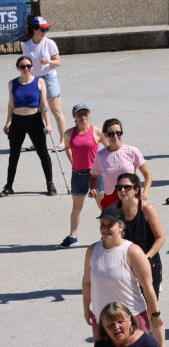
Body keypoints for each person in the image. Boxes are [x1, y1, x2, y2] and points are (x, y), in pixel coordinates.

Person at [83, 205, 167, 347]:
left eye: (110, 225)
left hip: (131, 319)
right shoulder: (92, 250)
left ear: (121, 226)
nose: (105, 228)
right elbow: (87, 283)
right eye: (102, 224)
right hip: (103, 320)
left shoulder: (133, 251)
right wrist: (86, 309)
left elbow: (148, 287)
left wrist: (155, 313)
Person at [4, 54, 55, 196]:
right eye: (22, 67)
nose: (26, 69)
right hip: (17, 121)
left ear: (32, 67)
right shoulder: (12, 83)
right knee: (14, 155)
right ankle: (9, 186)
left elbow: (44, 105)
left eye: (28, 66)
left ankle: (50, 184)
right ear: (18, 68)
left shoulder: (40, 82)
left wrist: (48, 124)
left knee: (43, 153)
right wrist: (8, 122)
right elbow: (11, 105)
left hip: (35, 120)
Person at [114, 173, 167, 300]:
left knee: (149, 309)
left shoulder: (146, 208)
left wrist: (146, 257)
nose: (122, 191)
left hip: (148, 264)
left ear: (136, 189)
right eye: (119, 187)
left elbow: (160, 238)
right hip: (124, 267)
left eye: (127, 187)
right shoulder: (114, 210)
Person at [60, 103, 104, 247]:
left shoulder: (96, 131)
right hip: (78, 175)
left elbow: (109, 147)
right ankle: (73, 235)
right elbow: (67, 148)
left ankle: (110, 234)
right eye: (79, 114)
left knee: (103, 206)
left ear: (89, 115)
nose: (83, 117)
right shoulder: (68, 133)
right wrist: (73, 161)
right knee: (76, 207)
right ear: (74, 117)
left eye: (85, 113)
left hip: (96, 175)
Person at [21, 16, 65, 151]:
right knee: (37, 113)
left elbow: (58, 62)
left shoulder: (50, 43)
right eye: (42, 29)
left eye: (46, 29)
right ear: (34, 29)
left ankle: (63, 141)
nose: (45, 31)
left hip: (49, 78)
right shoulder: (27, 46)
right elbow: (27, 64)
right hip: (35, 80)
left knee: (56, 111)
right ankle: (37, 142)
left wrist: (49, 62)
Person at [90, 119, 151, 209]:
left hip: (131, 199)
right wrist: (92, 188)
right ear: (105, 135)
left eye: (118, 133)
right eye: (111, 134)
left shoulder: (132, 151)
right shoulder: (100, 156)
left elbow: (148, 174)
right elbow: (94, 177)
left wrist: (145, 193)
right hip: (111, 201)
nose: (115, 136)